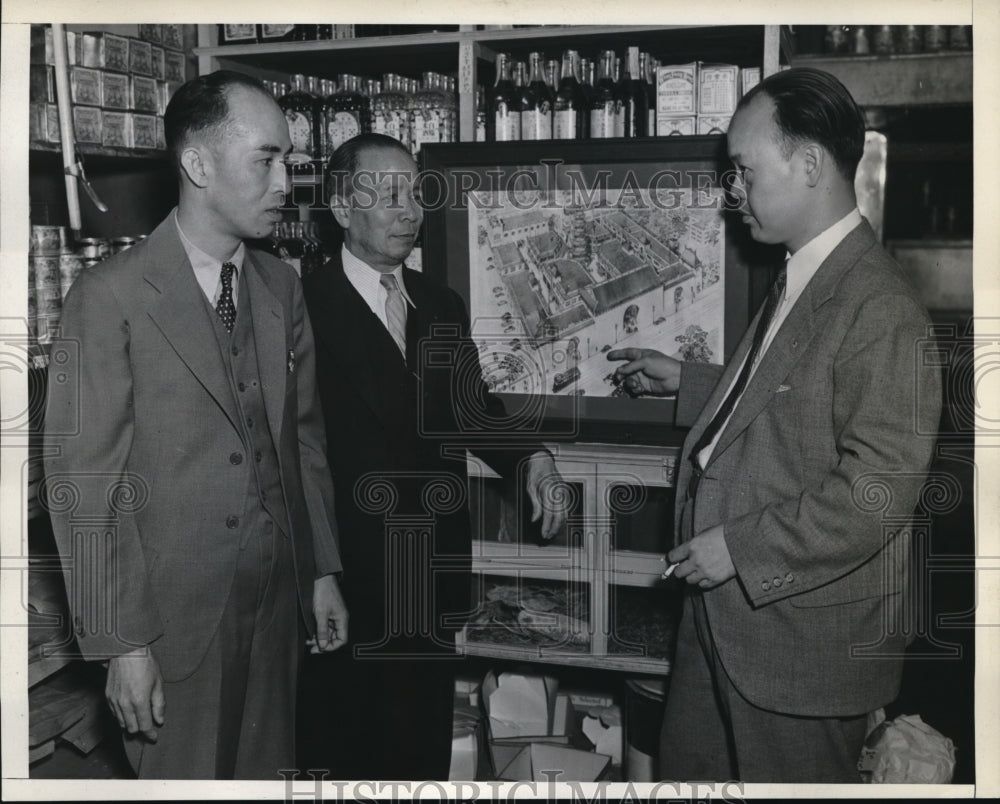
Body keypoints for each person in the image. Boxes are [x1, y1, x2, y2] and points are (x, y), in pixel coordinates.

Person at [609, 68, 942, 782]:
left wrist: (738, 548)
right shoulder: (804, 273)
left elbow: (876, 493)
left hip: (796, 650)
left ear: (811, 164)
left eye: (743, 170)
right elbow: (787, 401)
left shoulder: (880, 307)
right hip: (726, 627)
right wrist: (695, 382)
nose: (732, 192)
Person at [43, 70, 348, 779]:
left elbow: (303, 440)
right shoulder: (107, 296)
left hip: (276, 608)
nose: (286, 184)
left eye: (290, 164)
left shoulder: (280, 286)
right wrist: (124, 644)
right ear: (198, 164)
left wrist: (321, 571)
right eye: (266, 160)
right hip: (169, 626)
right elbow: (84, 484)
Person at [297, 133, 567, 780]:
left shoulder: (438, 303)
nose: (409, 210)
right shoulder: (299, 309)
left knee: (419, 758)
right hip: (347, 585)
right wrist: (315, 572)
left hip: (430, 580)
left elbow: (473, 410)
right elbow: (286, 456)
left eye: (414, 191)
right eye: (386, 193)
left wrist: (534, 458)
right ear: (340, 207)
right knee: (345, 761)